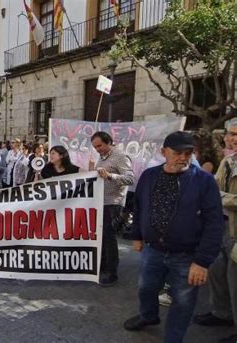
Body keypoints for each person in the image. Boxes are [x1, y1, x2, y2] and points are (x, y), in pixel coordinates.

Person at [123, 131, 224, 343]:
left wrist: (202, 261)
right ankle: (149, 316)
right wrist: (137, 235)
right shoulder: (149, 176)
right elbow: (139, 206)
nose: (183, 158)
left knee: (183, 301)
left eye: (188, 153)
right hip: (153, 250)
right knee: (146, 288)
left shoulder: (204, 181)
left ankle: (173, 338)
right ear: (164, 152)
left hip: (187, 256)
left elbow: (214, 223)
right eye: (178, 153)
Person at [193, 122, 237, 343]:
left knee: (234, 277)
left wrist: (220, 198)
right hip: (220, 224)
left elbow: (215, 193)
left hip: (235, 228)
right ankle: (222, 313)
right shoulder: (228, 162)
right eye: (231, 134)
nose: (234, 139)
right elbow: (211, 190)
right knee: (217, 269)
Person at [90, 131, 134, 286]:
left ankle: (112, 273)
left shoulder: (120, 155)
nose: (97, 149)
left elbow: (130, 178)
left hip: (113, 202)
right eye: (95, 147)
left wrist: (110, 176)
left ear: (109, 142)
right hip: (101, 200)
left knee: (109, 237)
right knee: (102, 236)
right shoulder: (102, 157)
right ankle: (103, 265)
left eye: (99, 146)